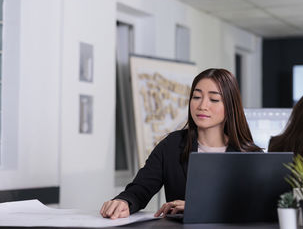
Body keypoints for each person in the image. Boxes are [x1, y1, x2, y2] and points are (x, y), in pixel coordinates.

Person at [100, 68, 262, 219]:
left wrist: (197, 208)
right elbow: (140, 189)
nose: (202, 106)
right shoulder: (171, 145)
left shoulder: (250, 156)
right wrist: (123, 202)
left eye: (214, 99)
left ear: (230, 107)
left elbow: (260, 208)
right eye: (197, 97)